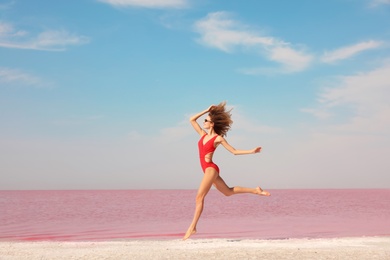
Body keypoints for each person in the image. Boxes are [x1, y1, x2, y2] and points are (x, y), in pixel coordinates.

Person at [183, 102, 271, 240]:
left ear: (212, 124)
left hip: (211, 169)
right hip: (207, 169)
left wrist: (252, 151)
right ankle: (255, 190)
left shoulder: (218, 138)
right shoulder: (202, 134)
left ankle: (192, 227)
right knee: (228, 192)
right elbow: (191, 120)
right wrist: (206, 110)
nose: (204, 122)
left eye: (206, 120)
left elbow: (234, 151)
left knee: (199, 198)